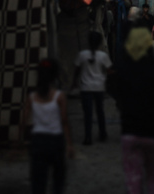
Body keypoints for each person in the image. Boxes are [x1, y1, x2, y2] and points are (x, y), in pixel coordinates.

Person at [117, 28, 154, 194]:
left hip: (130, 131)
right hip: (153, 133)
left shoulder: (124, 71)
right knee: (153, 178)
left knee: (133, 178)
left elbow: (119, 100)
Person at [22, 59, 74, 194]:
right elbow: (64, 121)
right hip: (55, 141)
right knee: (58, 181)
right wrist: (69, 144)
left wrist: (18, 143)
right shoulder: (59, 96)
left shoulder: (32, 97)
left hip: (38, 141)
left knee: (38, 181)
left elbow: (23, 122)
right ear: (54, 76)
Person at [72, 31, 113, 144]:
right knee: (100, 111)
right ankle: (102, 133)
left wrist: (74, 83)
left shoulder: (82, 54)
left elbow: (76, 70)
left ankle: (88, 136)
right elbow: (109, 71)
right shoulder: (103, 56)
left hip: (86, 88)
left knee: (88, 113)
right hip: (99, 87)